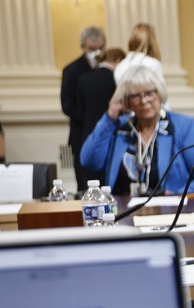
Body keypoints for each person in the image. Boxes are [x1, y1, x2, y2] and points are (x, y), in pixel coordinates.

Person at [81, 66, 194, 195]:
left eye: (149, 93)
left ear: (159, 94)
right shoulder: (119, 128)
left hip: (169, 212)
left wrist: (179, 196)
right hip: (123, 211)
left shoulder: (181, 126)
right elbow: (89, 161)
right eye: (135, 96)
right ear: (127, 102)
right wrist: (109, 118)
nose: (144, 100)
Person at [61, 26, 106, 190]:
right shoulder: (72, 70)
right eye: (92, 49)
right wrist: (90, 117)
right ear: (83, 47)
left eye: (101, 48)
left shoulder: (107, 69)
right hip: (81, 134)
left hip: (105, 134)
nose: (97, 52)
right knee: (84, 185)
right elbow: (67, 105)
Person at [75, 48, 126, 185]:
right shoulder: (117, 81)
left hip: (87, 134)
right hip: (111, 134)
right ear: (118, 61)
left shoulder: (83, 79)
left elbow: (77, 110)